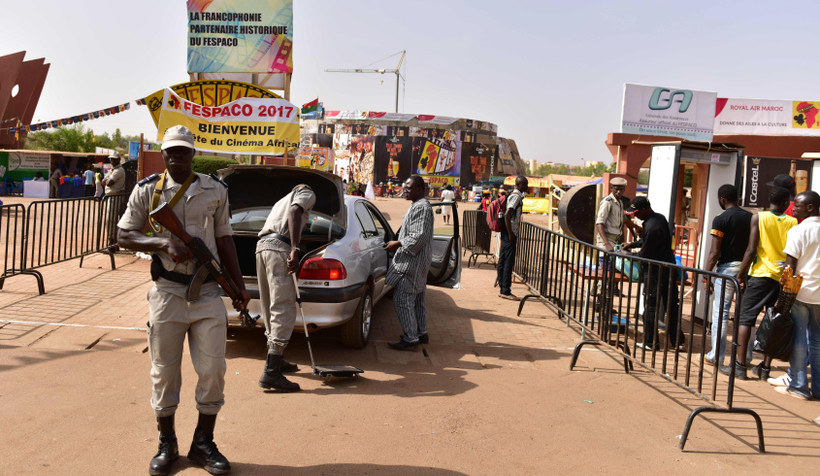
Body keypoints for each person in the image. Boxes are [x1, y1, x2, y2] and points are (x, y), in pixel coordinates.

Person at [117, 125, 249, 476]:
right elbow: (124, 235)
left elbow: (225, 240)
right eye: (171, 151)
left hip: (207, 293)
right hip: (167, 293)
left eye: (183, 150)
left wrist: (237, 287)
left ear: (193, 153)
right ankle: (167, 443)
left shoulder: (215, 189)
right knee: (164, 372)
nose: (177, 156)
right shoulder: (147, 190)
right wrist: (162, 243)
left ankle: (203, 443)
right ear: (163, 154)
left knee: (213, 369)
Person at [725, 187, 797, 380]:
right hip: (781, 277)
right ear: (786, 203)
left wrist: (740, 274)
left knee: (745, 319)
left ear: (768, 199)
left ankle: (739, 366)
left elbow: (751, 249)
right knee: (774, 320)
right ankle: (765, 368)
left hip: (760, 274)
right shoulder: (792, 222)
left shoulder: (758, 218)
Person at [255, 184, 317, 392]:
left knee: (269, 306)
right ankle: (271, 372)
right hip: (280, 249)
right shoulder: (307, 192)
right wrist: (295, 249)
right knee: (283, 307)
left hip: (262, 247)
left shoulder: (281, 200)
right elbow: (295, 211)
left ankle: (277, 359)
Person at [623, 196, 685, 350]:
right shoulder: (659, 219)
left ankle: (651, 342)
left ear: (645, 209)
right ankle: (678, 341)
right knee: (672, 306)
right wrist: (631, 244)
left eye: (637, 213)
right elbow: (647, 242)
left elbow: (645, 255)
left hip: (655, 273)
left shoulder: (651, 226)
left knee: (651, 307)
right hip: (668, 268)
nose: (635, 216)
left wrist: (628, 254)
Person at [703, 184, 752, 366]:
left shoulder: (720, 219)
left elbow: (714, 252)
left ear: (722, 199)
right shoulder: (751, 217)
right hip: (747, 269)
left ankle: (717, 355)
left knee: (721, 313)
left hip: (727, 270)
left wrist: (706, 275)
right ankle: (745, 357)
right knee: (746, 315)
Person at [778, 191, 820, 400]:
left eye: (797, 205)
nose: (793, 208)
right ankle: (818, 388)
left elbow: (790, 266)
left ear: (810, 207)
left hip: (800, 293)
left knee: (799, 339)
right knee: (817, 340)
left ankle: (799, 385)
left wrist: (783, 294)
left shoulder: (798, 231)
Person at [384, 176, 434, 350]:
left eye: (408, 188)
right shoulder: (418, 205)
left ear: (420, 189)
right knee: (417, 301)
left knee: (402, 299)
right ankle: (421, 333)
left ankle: (411, 339)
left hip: (413, 264)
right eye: (404, 187)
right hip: (418, 263)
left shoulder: (422, 207)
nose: (404, 190)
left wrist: (397, 244)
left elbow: (419, 236)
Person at [497, 176, 527, 300]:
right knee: (508, 262)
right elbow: (507, 215)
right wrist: (510, 233)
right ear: (519, 185)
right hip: (510, 233)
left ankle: (502, 288)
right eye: (525, 184)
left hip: (506, 232)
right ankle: (505, 290)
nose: (527, 187)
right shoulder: (516, 197)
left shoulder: (512, 195)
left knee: (503, 260)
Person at [595, 177, 628, 252]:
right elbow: (599, 223)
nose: (619, 192)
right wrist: (606, 243)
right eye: (616, 189)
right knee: (604, 259)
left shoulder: (620, 203)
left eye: (621, 189)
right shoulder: (607, 202)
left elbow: (624, 219)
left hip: (615, 241)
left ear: (624, 190)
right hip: (606, 240)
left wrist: (636, 228)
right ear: (611, 188)